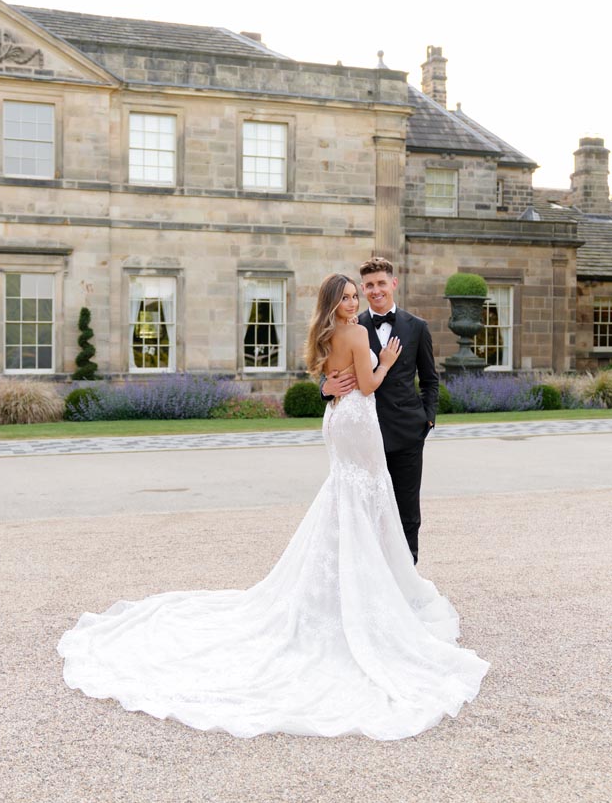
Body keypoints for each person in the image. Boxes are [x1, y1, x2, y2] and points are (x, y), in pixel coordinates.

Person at [58, 273, 488, 740]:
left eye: (356, 295)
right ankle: (364, 598)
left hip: (342, 422)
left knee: (352, 500)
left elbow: (335, 378)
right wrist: (381, 363)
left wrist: (358, 393)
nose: (356, 300)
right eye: (347, 296)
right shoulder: (360, 330)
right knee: (364, 498)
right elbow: (364, 387)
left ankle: (367, 588)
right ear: (337, 302)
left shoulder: (327, 332)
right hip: (357, 418)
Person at [322, 257, 438, 564]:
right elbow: (328, 370)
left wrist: (426, 420)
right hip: (363, 434)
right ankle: (371, 577)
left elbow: (429, 379)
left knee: (406, 510)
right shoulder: (350, 324)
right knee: (365, 509)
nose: (375, 290)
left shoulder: (417, 327)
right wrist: (324, 389)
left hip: (406, 432)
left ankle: (407, 574)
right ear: (363, 288)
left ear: (393, 284)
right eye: (369, 285)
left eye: (381, 283)